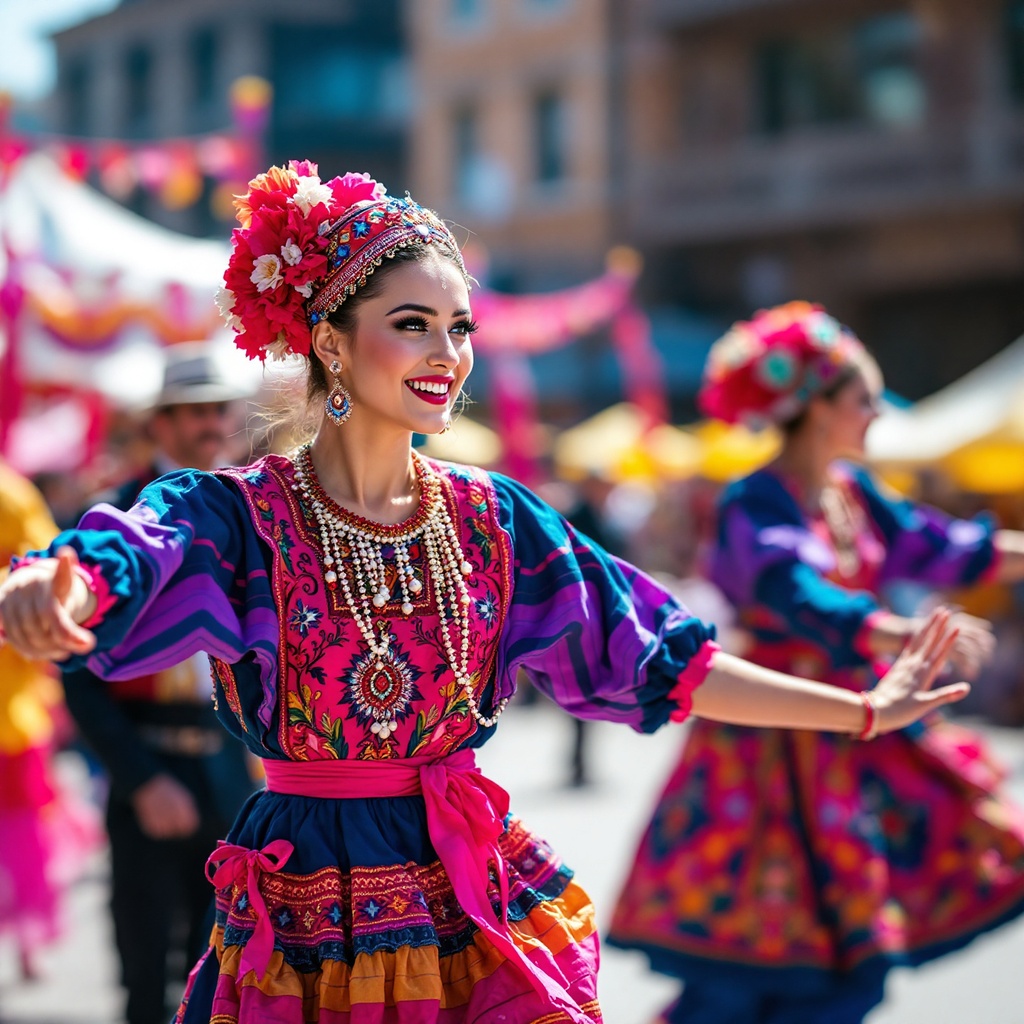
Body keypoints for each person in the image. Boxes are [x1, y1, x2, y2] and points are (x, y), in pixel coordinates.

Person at [0, 167, 970, 1024]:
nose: (446, 353)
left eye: (458, 326)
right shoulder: (244, 514)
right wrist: (53, 580)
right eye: (412, 324)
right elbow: (130, 548)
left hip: (470, 891)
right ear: (331, 344)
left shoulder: (492, 517)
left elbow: (661, 652)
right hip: (308, 910)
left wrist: (858, 710)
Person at [607, 301, 1024, 1024]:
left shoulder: (853, 493)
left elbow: (940, 543)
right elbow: (790, 589)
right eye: (865, 400)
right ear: (820, 407)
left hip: (849, 741)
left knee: (845, 967)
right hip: (769, 741)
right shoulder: (754, 501)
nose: (875, 417)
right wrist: (894, 633)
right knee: (747, 980)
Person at [59, 344, 257, 1024]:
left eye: (217, 409)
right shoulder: (109, 522)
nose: (209, 423)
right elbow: (76, 674)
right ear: (160, 424)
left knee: (228, 972)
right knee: (145, 974)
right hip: (146, 764)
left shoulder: (251, 519)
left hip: (230, 768)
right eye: (191, 411)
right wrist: (141, 779)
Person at [0, 460, 97, 981]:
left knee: (21, 832)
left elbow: (47, 566)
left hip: (9, 713)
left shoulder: (8, 493)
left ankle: (27, 944)